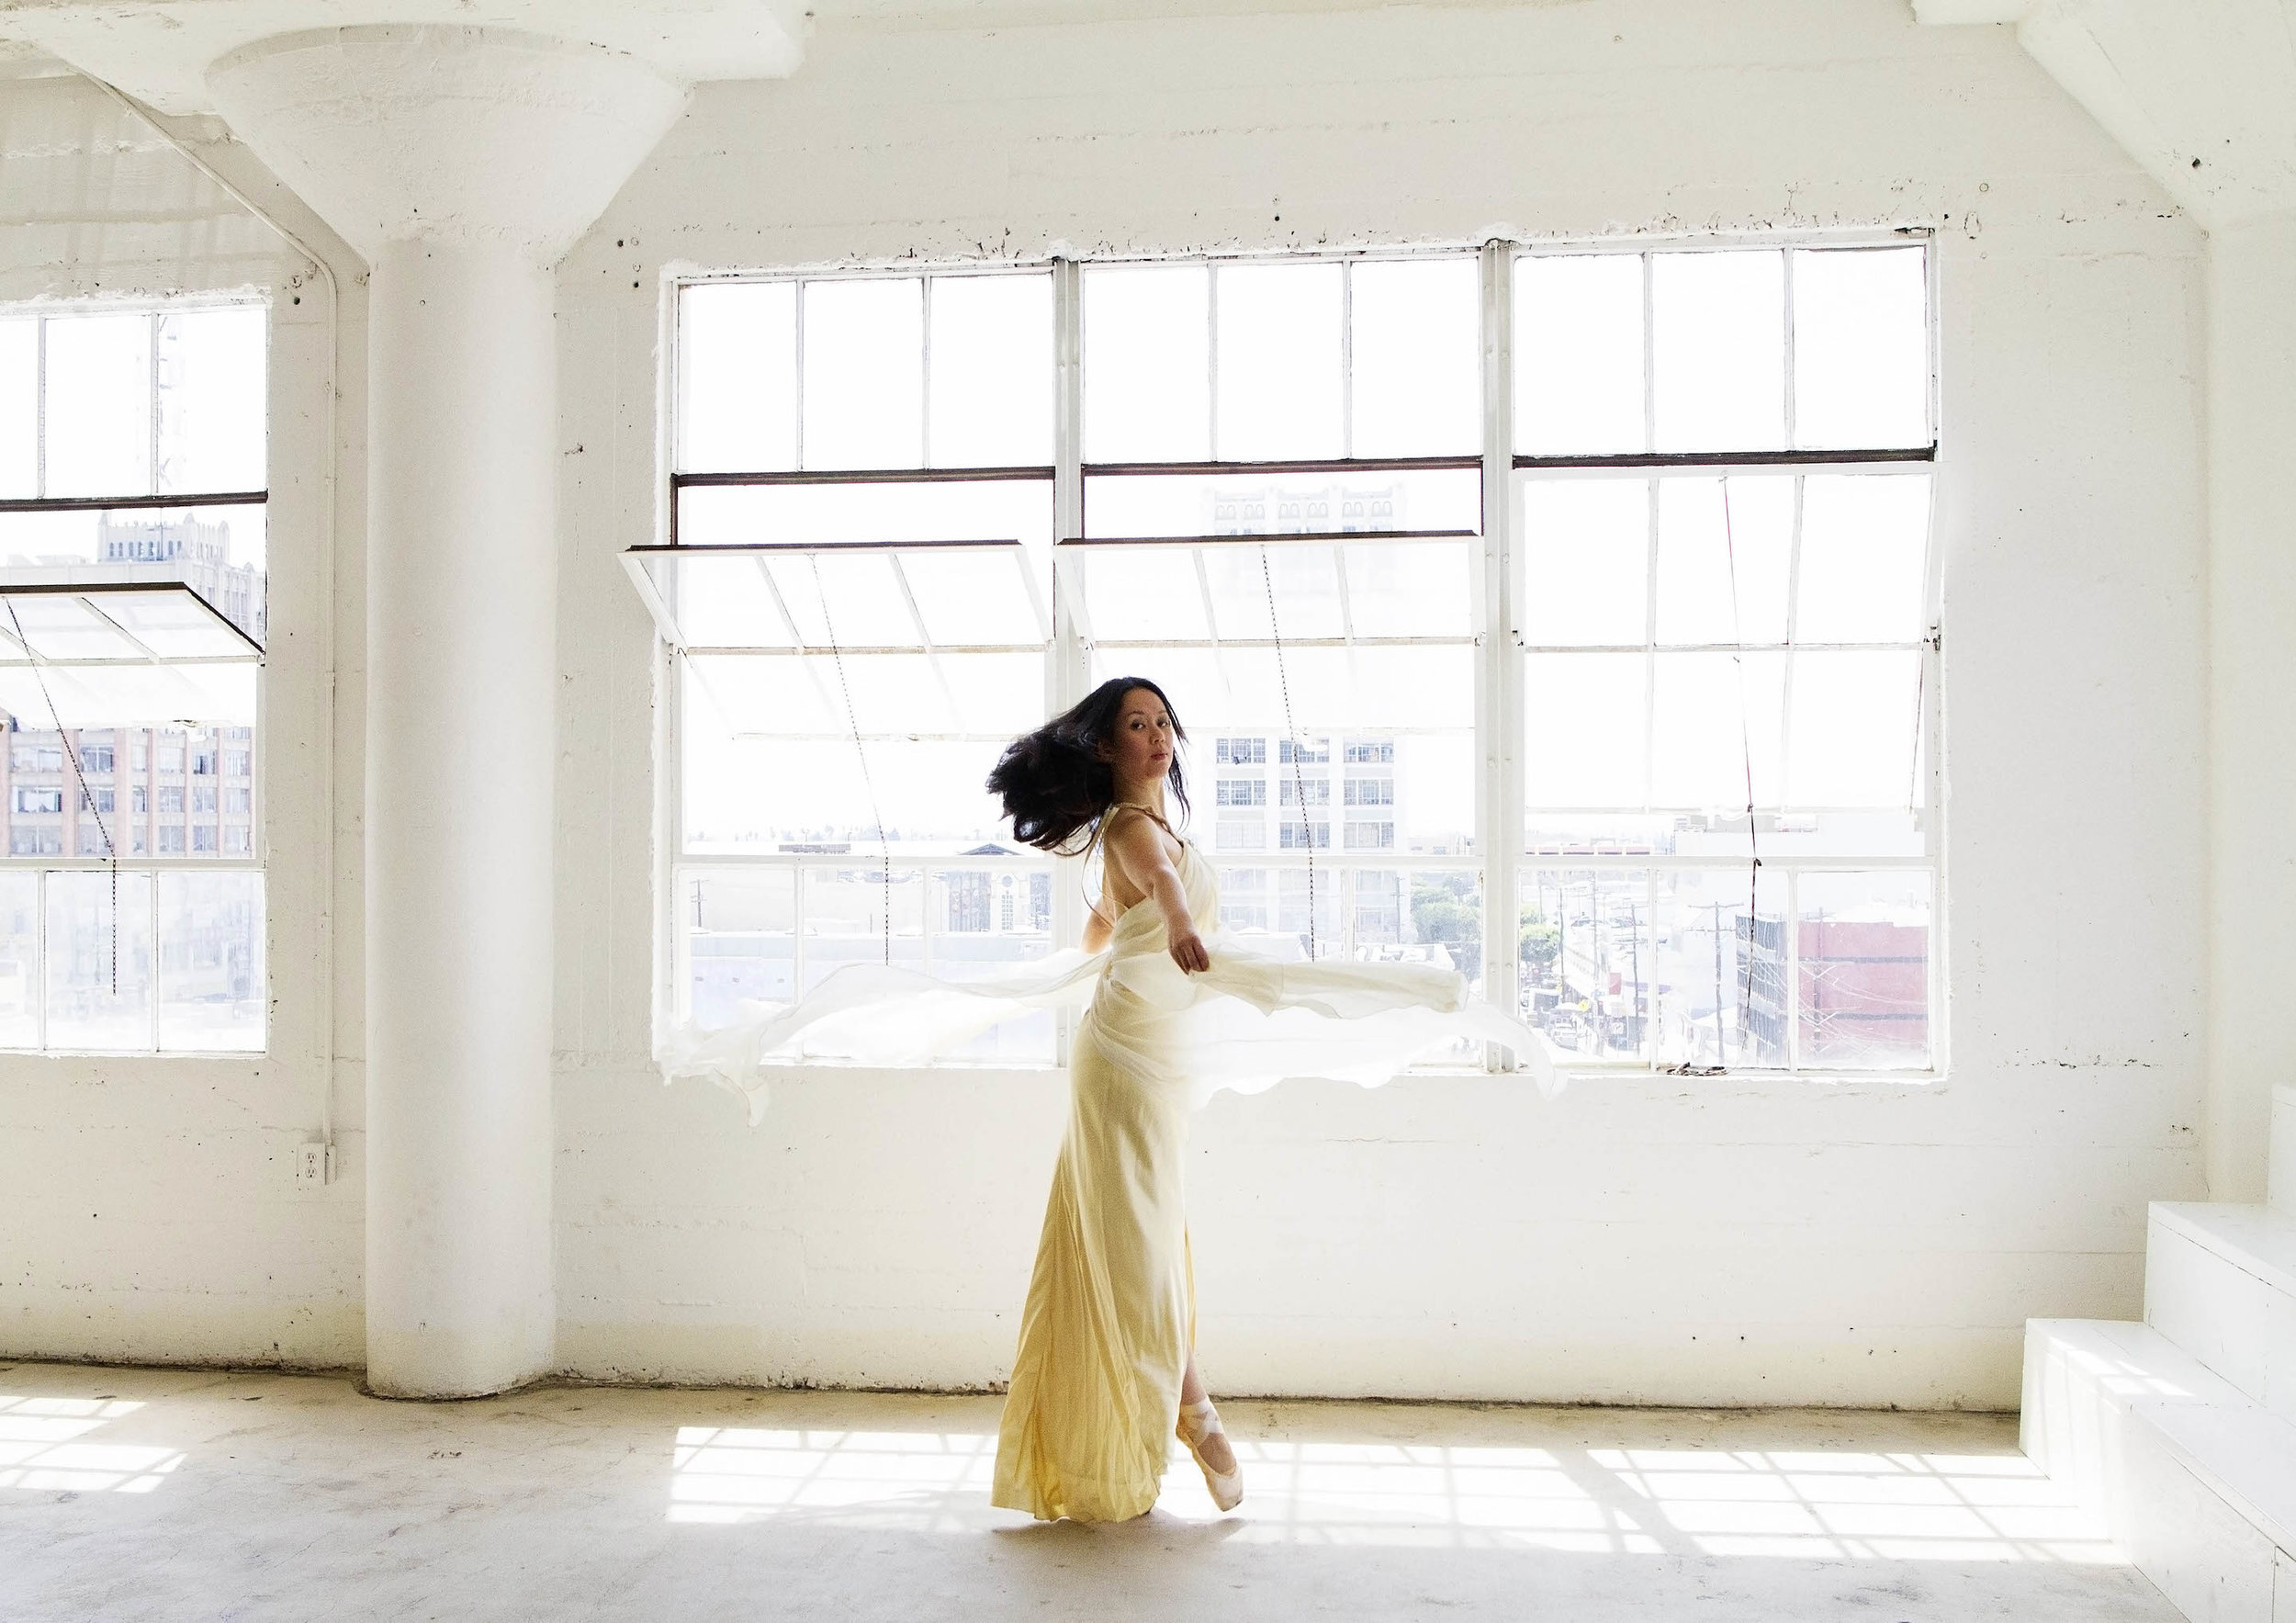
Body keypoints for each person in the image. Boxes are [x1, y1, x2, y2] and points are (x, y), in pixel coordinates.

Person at [658, 676, 1557, 1522]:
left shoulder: (1154, 831)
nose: (1157, 736)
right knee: (1134, 1242)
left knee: (1143, 1234)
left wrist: (1092, 959)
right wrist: (1175, 924)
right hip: (1122, 1059)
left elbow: (1105, 923)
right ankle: (1195, 1410)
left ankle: (1163, 1413)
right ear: (1104, 746)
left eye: (1164, 723)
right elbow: (1158, 887)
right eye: (1137, 724)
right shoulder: (1130, 829)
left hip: (1158, 1060)